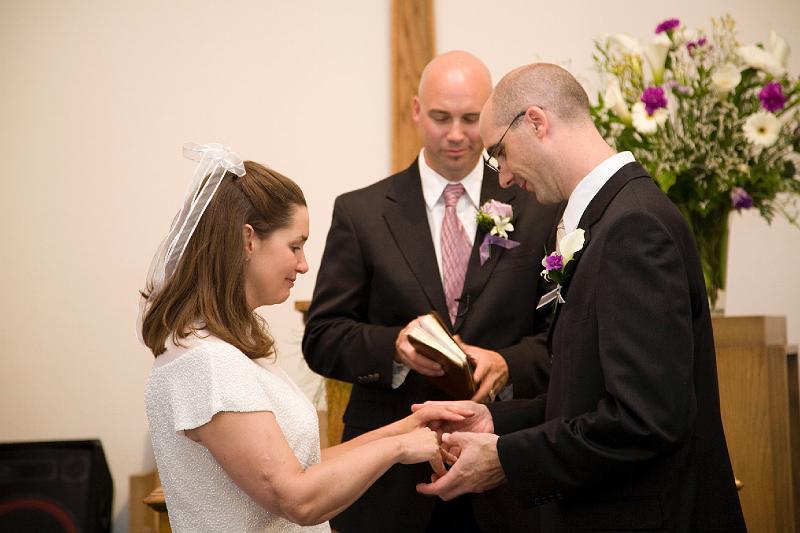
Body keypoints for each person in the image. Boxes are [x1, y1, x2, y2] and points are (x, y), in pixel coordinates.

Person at [414, 63, 747, 532]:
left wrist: (506, 459)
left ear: (536, 122)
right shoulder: (604, 218)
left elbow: (645, 420)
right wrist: (494, 422)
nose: (503, 177)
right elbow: (586, 393)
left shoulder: (634, 226)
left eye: (500, 153)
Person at [140, 143, 469, 532]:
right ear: (248, 240)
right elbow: (297, 500)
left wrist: (405, 429)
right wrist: (397, 448)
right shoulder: (208, 363)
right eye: (294, 246)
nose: (303, 263)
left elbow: (305, 468)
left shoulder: (227, 353)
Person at [302, 52, 560, 532]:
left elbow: (560, 338)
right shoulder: (361, 213)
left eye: (470, 119)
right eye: (442, 117)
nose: (457, 134)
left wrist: (508, 365)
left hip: (506, 466)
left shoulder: (540, 207)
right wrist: (394, 349)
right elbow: (322, 336)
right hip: (390, 476)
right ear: (418, 110)